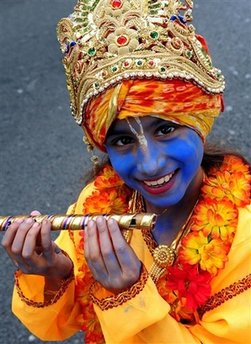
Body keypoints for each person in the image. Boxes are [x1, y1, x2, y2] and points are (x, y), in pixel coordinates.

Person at [1, 0, 251, 343]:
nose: (149, 165)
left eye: (165, 130)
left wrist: (130, 296)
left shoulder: (245, 237)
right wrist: (54, 273)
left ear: (199, 122)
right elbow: (61, 325)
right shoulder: (98, 201)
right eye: (121, 140)